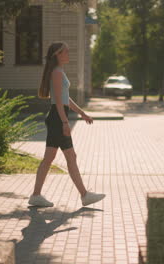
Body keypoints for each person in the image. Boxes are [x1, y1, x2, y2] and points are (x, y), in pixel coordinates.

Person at [28, 41, 106, 207]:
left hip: (57, 117)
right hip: (57, 118)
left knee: (52, 158)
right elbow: (57, 101)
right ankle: (84, 195)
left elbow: (65, 99)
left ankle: (36, 195)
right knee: (66, 157)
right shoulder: (56, 73)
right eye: (66, 52)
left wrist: (82, 113)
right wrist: (65, 122)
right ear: (58, 54)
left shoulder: (59, 71)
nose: (68, 54)